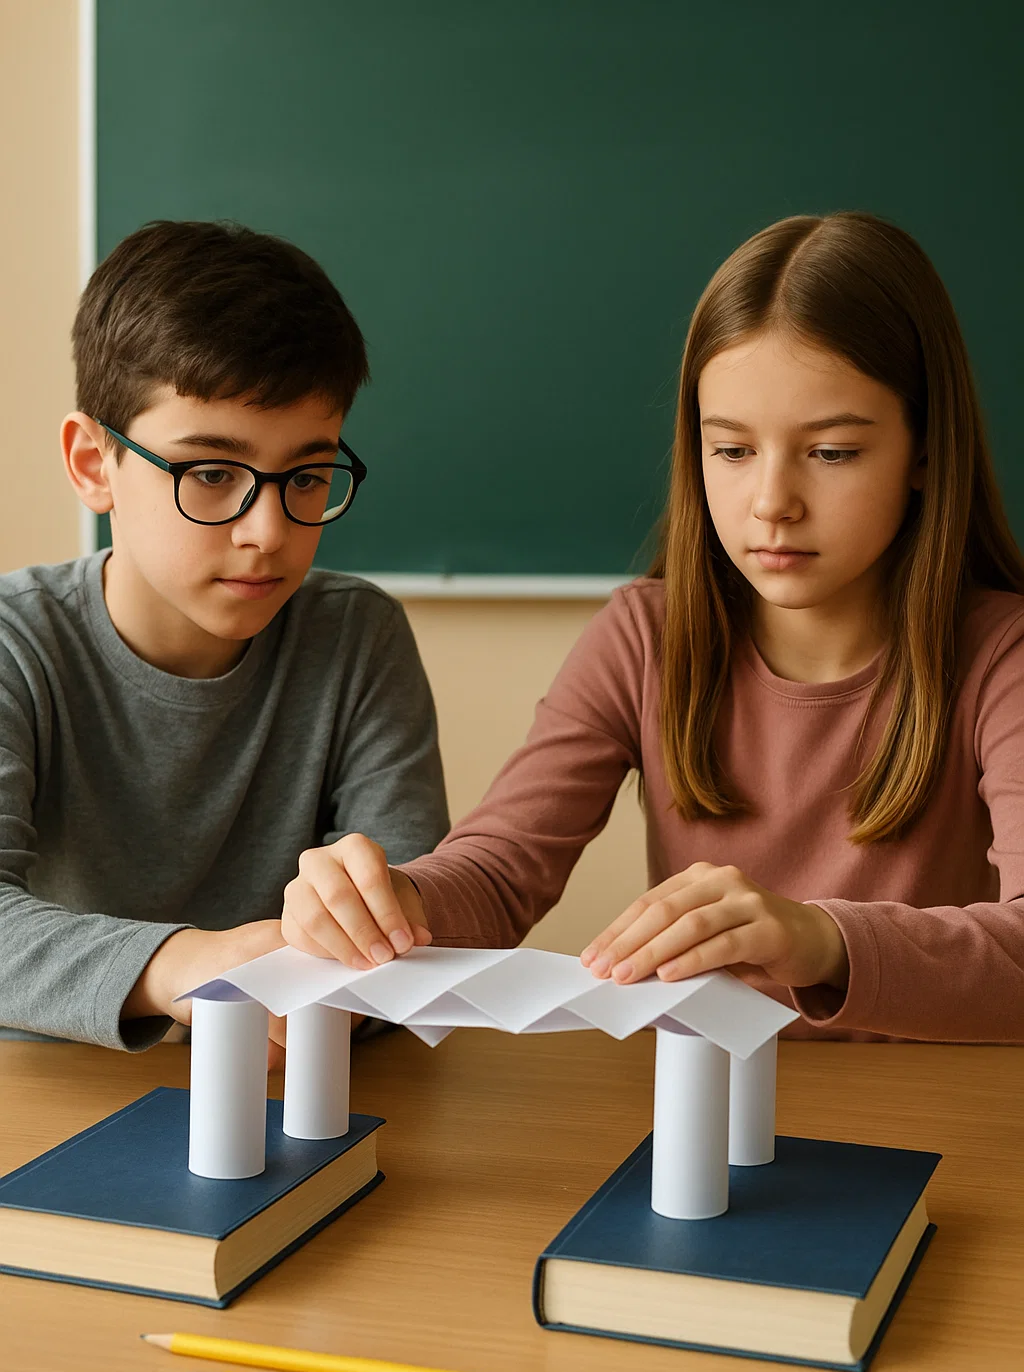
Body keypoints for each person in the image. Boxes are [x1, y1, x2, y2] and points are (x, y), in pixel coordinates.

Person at [279, 211, 1024, 1043]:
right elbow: (498, 873)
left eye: (833, 453)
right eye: (732, 451)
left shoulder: (1004, 656)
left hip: (935, 1122)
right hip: (700, 1115)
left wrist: (820, 940)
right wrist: (389, 903)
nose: (772, 502)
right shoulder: (644, 636)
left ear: (925, 451)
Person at [0, 220, 448, 1057]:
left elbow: (412, 907)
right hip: (52, 1105)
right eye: (211, 474)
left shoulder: (357, 637)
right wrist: (187, 966)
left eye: (308, 477)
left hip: (295, 1093)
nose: (268, 532)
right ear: (95, 463)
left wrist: (369, 952)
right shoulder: (15, 644)